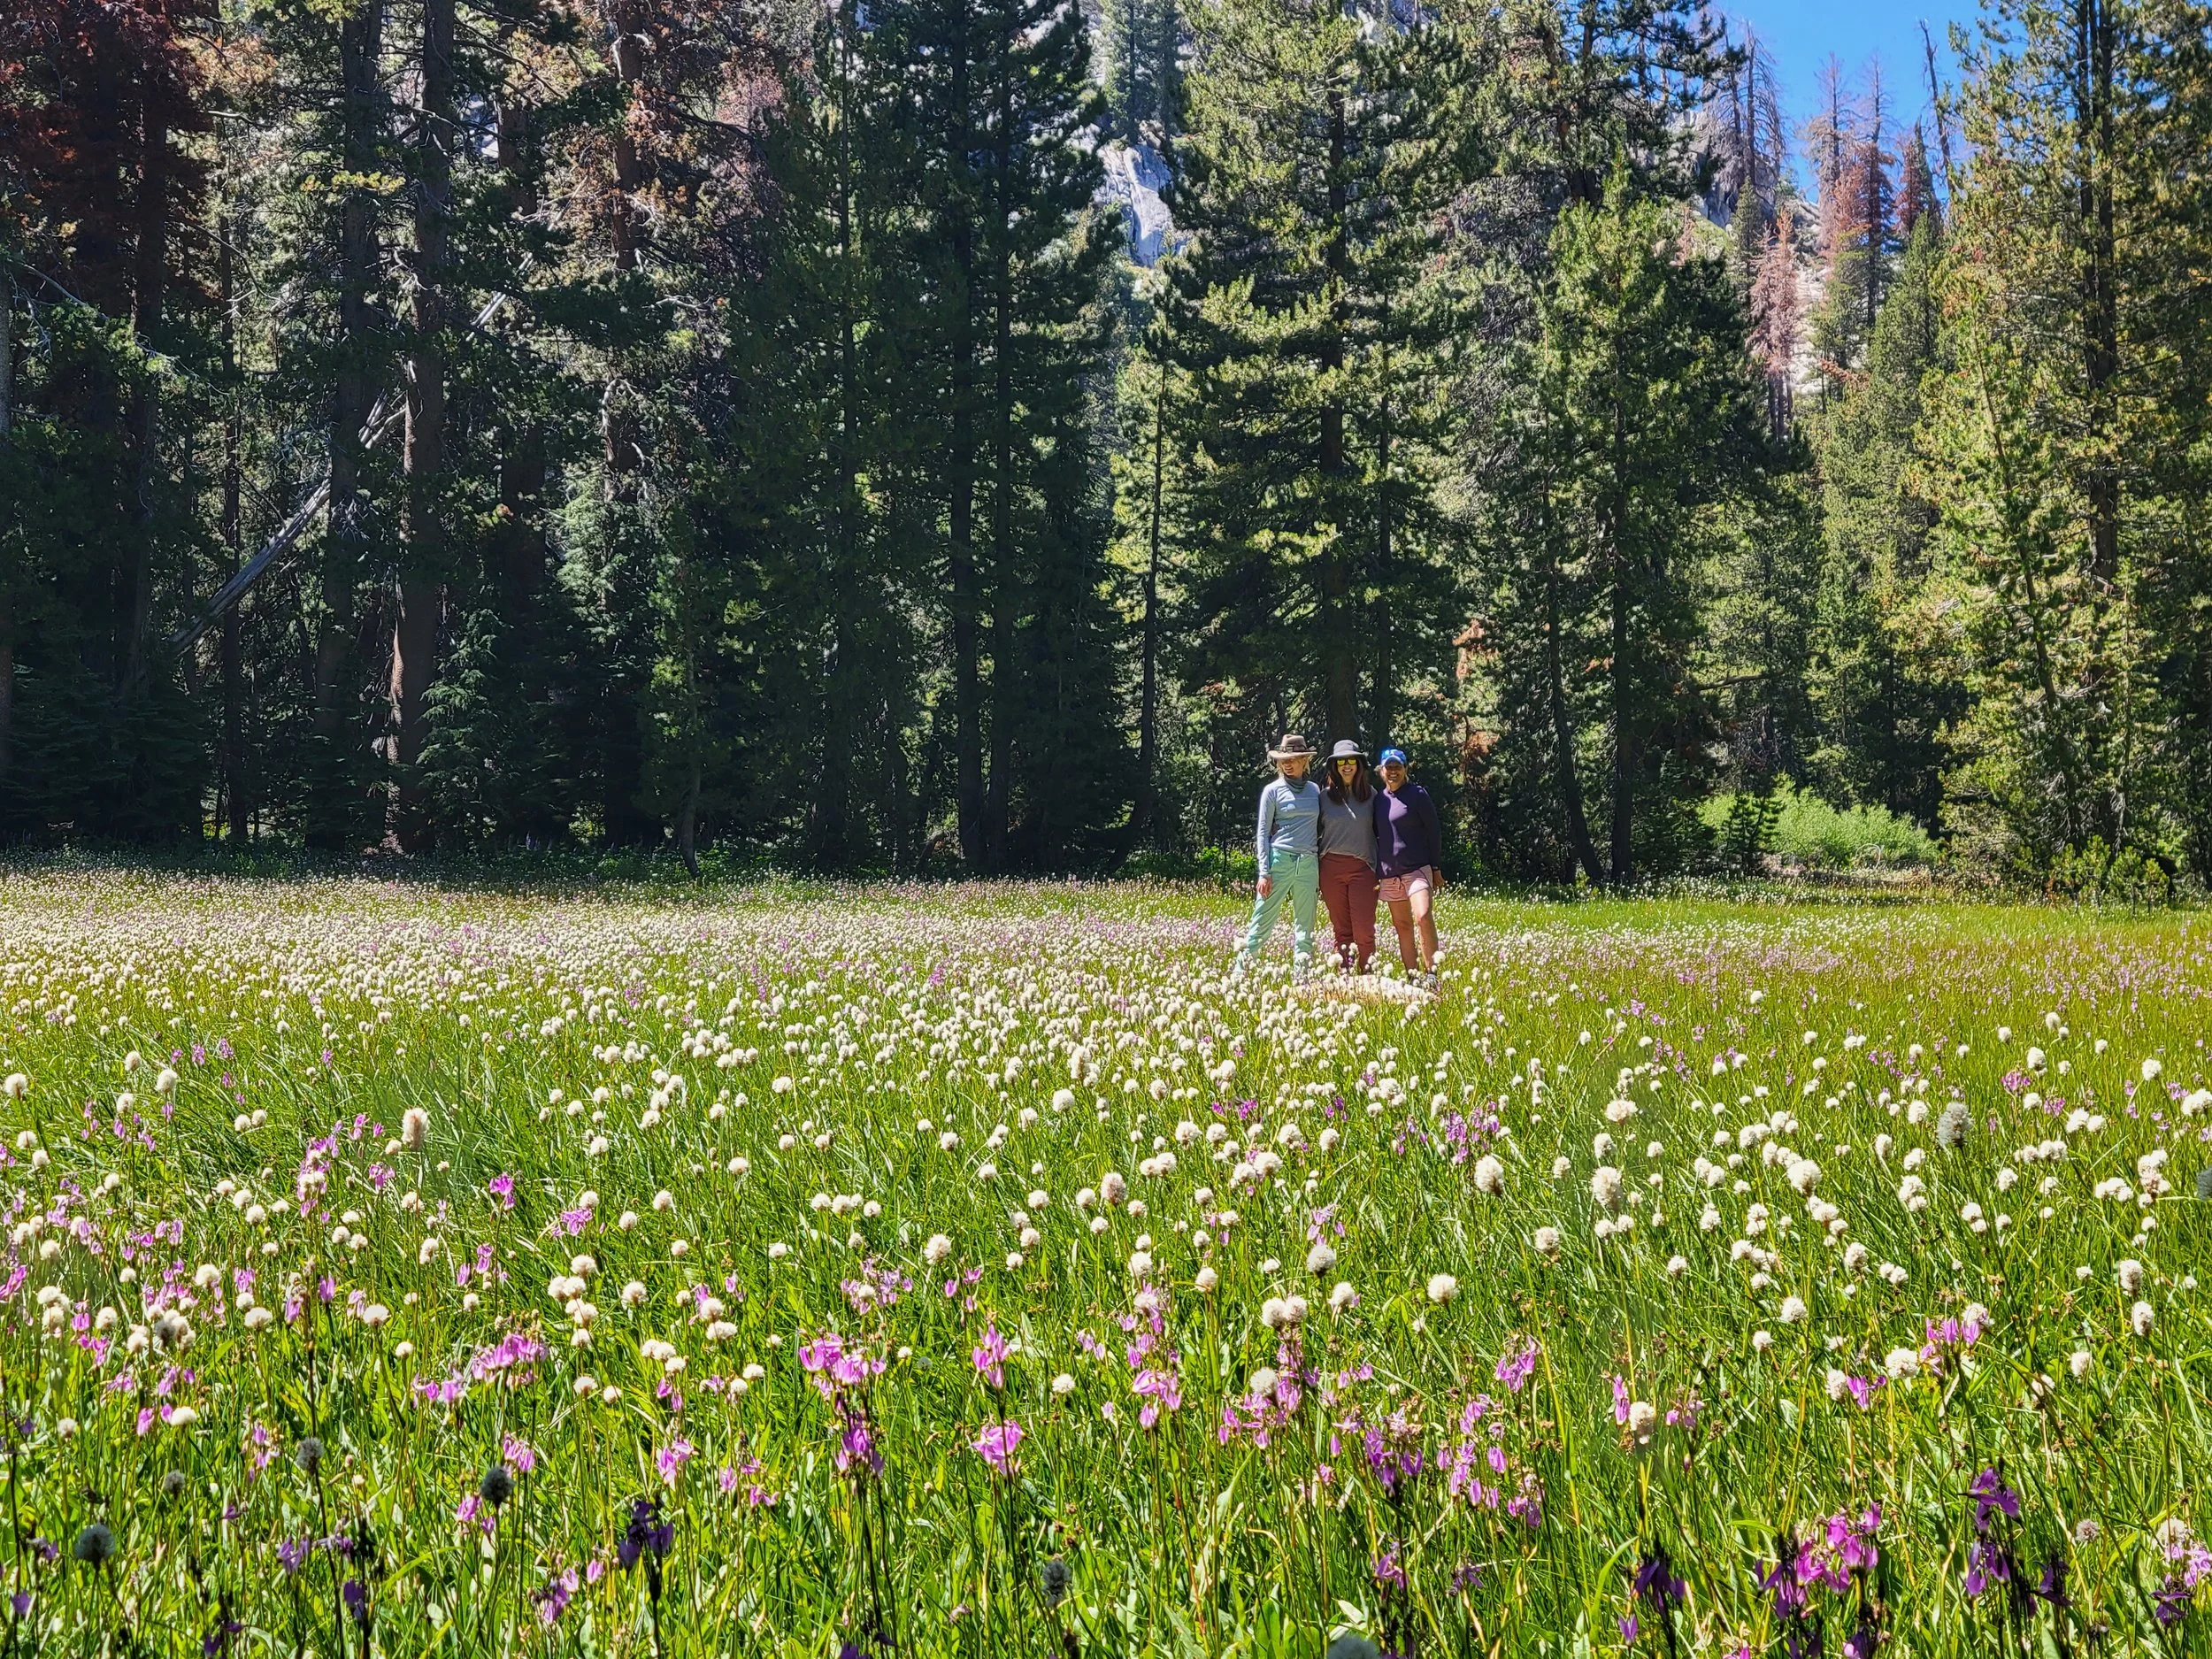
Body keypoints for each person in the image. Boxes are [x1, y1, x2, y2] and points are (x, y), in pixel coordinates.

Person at [1238, 733, 1321, 973]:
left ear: (1305, 761)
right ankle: (1239, 974)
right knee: (1261, 921)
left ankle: (1302, 979)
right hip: (1279, 861)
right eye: (1283, 759)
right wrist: (1264, 871)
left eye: (1294, 759)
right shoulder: (1272, 791)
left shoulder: (1315, 791)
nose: (1287, 763)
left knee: (1305, 926)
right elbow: (1262, 833)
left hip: (1308, 863)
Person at [1371, 747, 1443, 981]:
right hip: (1390, 873)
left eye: (1397, 767)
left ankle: (1431, 973)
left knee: (1422, 916)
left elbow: (1434, 831)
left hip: (1417, 869)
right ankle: (1412, 976)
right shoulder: (1378, 800)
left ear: (1405, 769)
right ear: (1381, 771)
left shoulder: (1417, 794)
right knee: (1402, 925)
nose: (1393, 772)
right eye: (1388, 767)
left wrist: (1436, 867)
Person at [1317, 739, 1379, 972]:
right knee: (1342, 930)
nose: (1346, 765)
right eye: (1341, 761)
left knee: (1364, 931)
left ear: (1359, 765)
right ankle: (1345, 977)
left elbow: (1382, 833)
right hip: (1330, 870)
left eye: (1351, 760)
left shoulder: (1372, 796)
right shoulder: (1323, 797)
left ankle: (1369, 978)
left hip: (1363, 870)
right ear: (1334, 766)